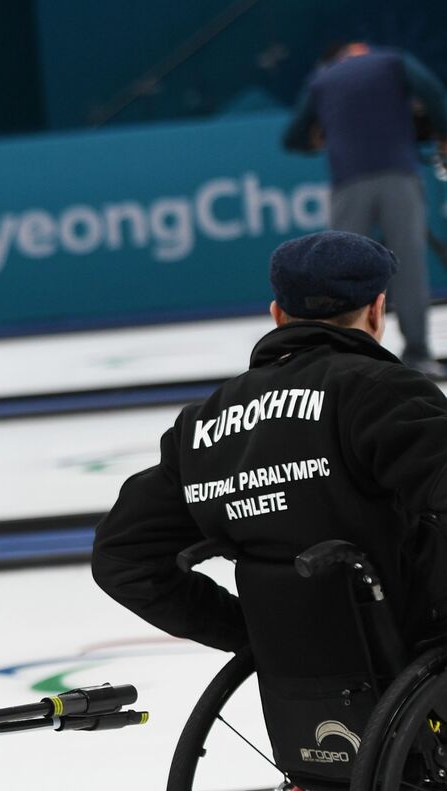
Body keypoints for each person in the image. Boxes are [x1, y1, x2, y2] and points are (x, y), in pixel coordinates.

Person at [92, 230, 447, 653]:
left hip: (296, 678)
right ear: (376, 311)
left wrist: (253, 634)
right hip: (413, 647)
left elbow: (123, 557)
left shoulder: (202, 423)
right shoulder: (382, 391)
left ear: (278, 314)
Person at [283, 42, 447, 377]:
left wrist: (316, 139)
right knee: (409, 267)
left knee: (343, 272)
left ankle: (348, 359)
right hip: (398, 176)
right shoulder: (394, 62)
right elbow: (434, 97)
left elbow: (294, 135)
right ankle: (418, 354)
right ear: (362, 50)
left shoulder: (322, 79)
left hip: (349, 184)